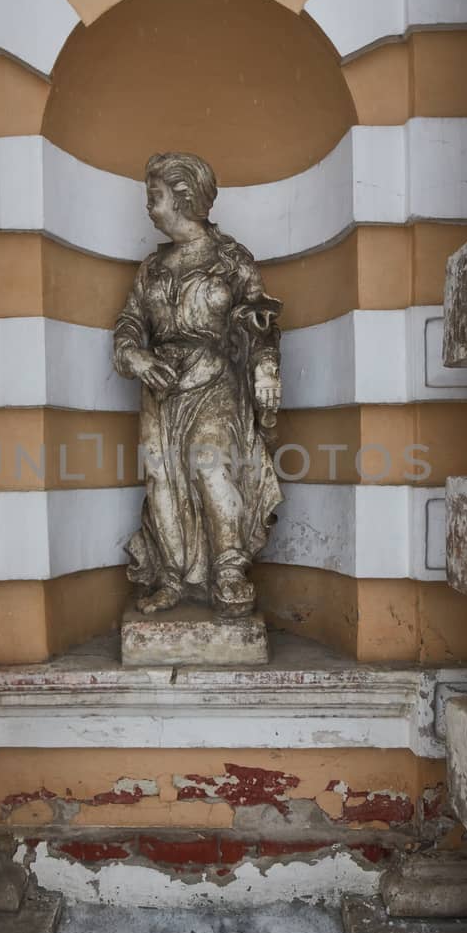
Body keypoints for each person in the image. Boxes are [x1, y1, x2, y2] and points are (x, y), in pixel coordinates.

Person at [112, 151, 284, 619]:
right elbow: (128, 325)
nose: (150, 207)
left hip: (215, 378)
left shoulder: (231, 260)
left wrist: (266, 367)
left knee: (211, 465)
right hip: (161, 385)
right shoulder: (150, 267)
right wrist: (137, 357)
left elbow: (260, 320)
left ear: (183, 198)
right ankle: (171, 577)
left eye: (156, 196)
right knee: (161, 478)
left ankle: (228, 569)